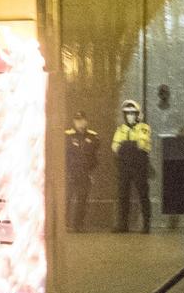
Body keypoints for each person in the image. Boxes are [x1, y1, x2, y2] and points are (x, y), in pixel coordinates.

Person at [112, 99, 153, 233]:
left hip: (139, 166)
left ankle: (146, 225)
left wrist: (126, 145)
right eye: (127, 113)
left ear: (138, 114)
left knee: (143, 195)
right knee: (123, 195)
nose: (130, 115)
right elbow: (115, 147)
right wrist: (130, 145)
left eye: (132, 113)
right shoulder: (121, 129)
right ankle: (123, 225)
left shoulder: (143, 127)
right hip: (124, 166)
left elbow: (142, 144)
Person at [64, 112, 102, 232]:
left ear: (86, 121)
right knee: (67, 198)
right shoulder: (67, 136)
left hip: (85, 172)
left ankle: (78, 225)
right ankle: (65, 224)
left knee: (82, 199)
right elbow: (64, 155)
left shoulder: (93, 137)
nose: (79, 123)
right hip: (70, 172)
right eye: (77, 120)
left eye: (82, 120)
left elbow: (94, 157)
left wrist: (91, 171)